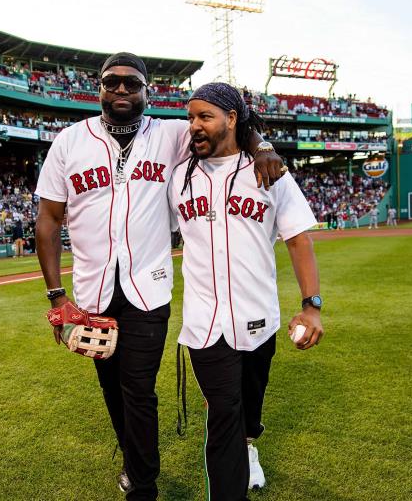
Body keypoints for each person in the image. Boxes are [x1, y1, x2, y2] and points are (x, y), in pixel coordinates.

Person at [35, 52, 284, 500]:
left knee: (139, 390)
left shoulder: (170, 135)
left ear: (148, 91)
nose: (123, 91)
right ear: (100, 88)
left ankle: (142, 485)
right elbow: (48, 221)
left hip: (147, 288)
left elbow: (232, 122)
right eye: (113, 82)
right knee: (112, 390)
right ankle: (134, 461)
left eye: (133, 84)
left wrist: (262, 146)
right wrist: (57, 296)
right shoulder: (69, 143)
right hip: (92, 290)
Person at [168, 82, 323, 500]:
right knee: (223, 415)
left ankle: (249, 444)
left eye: (205, 117)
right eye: (190, 118)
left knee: (248, 411)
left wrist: (311, 307)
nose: (194, 126)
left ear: (232, 119)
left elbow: (298, 240)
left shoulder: (269, 173)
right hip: (204, 324)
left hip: (258, 321)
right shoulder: (178, 177)